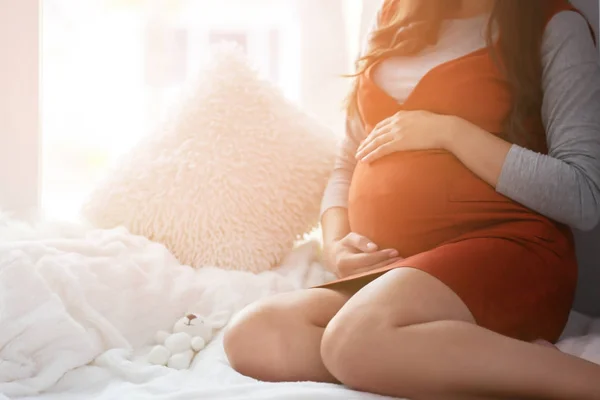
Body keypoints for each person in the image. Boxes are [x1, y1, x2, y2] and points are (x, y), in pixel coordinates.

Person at [224, 0, 600, 398]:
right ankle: (462, 359)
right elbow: (347, 161)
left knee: (354, 341)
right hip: (399, 269)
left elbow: (582, 195)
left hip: (506, 250)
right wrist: (335, 245)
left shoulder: (552, 26)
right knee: (254, 334)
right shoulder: (394, 15)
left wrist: (450, 132)